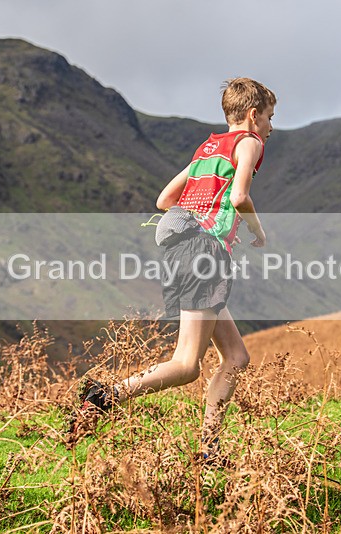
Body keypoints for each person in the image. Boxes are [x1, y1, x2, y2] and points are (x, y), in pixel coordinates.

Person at [68, 78, 275, 459]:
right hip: (205, 255)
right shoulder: (250, 143)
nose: (270, 126)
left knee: (236, 357)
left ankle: (209, 449)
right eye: (269, 117)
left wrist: (199, 211)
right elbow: (240, 196)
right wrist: (257, 231)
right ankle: (105, 397)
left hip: (184, 253)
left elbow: (165, 199)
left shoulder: (207, 149)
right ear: (252, 115)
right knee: (186, 365)